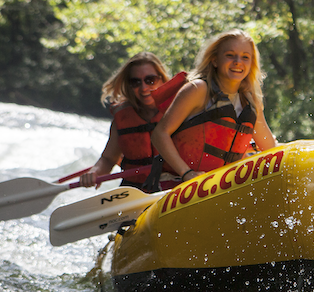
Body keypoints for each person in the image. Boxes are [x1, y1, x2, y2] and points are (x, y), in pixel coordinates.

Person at [151, 29, 277, 182]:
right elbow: (160, 134)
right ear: (215, 60)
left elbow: (270, 149)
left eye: (245, 57)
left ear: (251, 65)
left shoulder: (250, 100)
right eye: (230, 55)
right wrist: (187, 173)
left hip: (222, 187)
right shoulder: (198, 89)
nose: (238, 61)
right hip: (180, 183)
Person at [80, 52, 170, 188]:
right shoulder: (122, 118)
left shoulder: (179, 109)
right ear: (129, 86)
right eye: (135, 82)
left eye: (150, 80)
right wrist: (94, 172)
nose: (144, 87)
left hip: (172, 189)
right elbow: (108, 159)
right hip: (134, 189)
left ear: (162, 79)